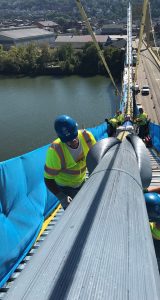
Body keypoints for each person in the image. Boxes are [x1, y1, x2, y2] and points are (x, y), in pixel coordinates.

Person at [44, 115, 96, 210]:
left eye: (74, 137)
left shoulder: (87, 137)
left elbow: (96, 158)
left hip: (82, 180)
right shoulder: (55, 151)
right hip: (66, 188)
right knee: (74, 212)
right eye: (69, 141)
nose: (73, 141)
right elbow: (48, 179)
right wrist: (62, 197)